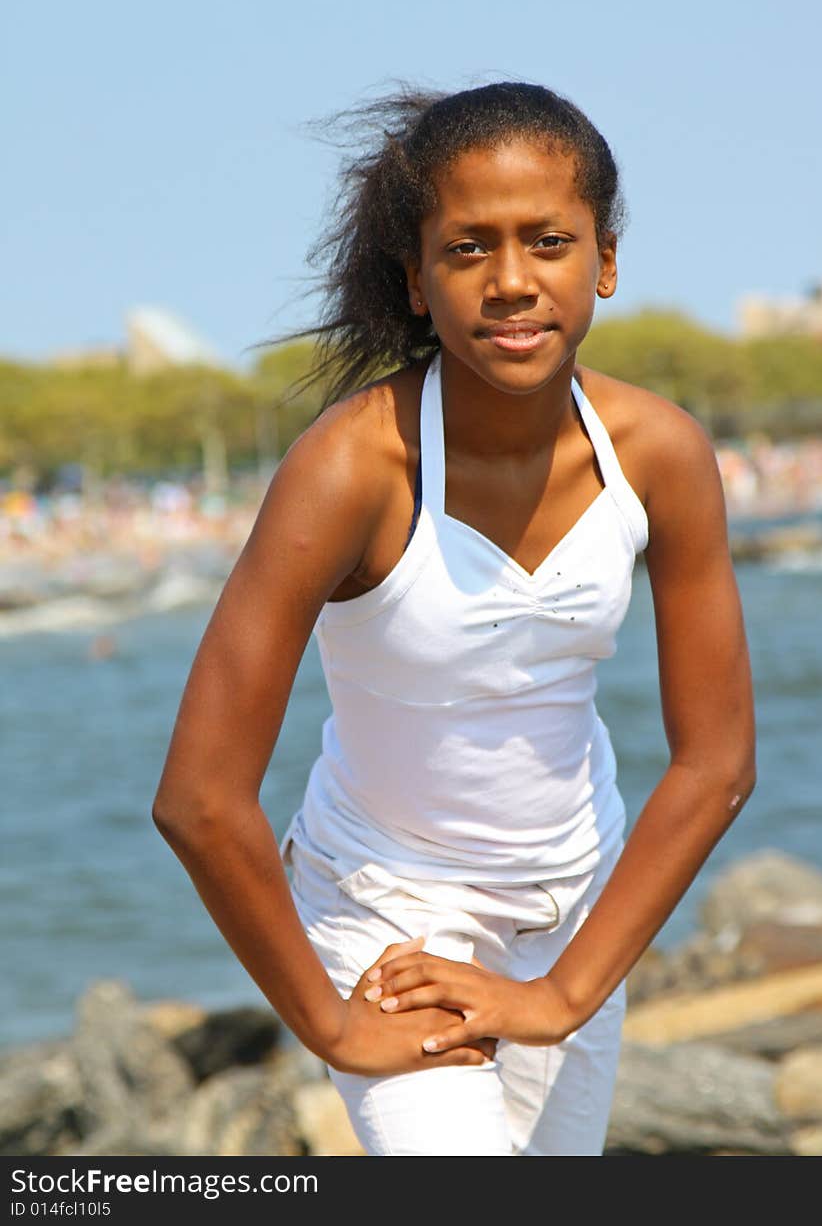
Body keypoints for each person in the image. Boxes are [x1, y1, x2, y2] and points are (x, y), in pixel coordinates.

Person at [153, 81, 755, 1156]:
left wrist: (564, 989)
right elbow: (199, 798)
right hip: (389, 925)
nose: (513, 281)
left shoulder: (657, 454)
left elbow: (715, 762)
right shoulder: (353, 468)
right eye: (469, 248)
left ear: (604, 263)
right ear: (418, 281)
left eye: (550, 241)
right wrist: (330, 1021)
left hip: (575, 917)